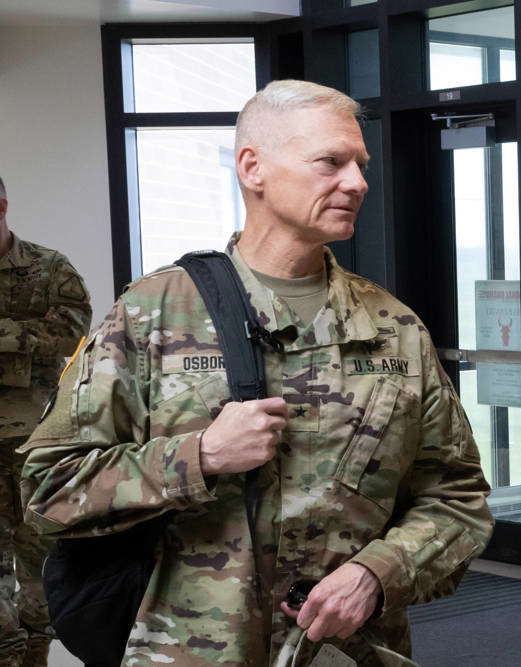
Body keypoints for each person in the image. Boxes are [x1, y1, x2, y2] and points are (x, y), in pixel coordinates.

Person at [20, 80, 493, 665]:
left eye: (360, 165)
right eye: (331, 162)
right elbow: (48, 489)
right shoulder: (154, 314)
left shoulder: (393, 327)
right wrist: (200, 456)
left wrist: (378, 573)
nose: (357, 182)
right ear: (253, 167)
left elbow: (456, 495)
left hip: (346, 653)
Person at [0, 175, 92, 666]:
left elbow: (69, 336)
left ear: (3, 206)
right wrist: (19, 351)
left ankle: (36, 650)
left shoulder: (50, 267)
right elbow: (39, 341)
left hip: (35, 438)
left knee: (39, 554)